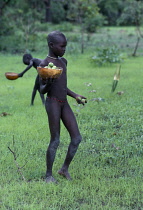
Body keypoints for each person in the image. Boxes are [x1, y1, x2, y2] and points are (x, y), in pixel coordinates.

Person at [39, 31, 87, 183]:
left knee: (76, 138)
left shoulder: (63, 62)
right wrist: (48, 82)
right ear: (51, 45)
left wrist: (76, 96)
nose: (64, 49)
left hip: (63, 102)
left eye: (65, 46)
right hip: (52, 102)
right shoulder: (44, 65)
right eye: (62, 46)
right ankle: (48, 175)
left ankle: (64, 168)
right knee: (55, 140)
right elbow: (42, 90)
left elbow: (63, 86)